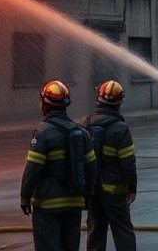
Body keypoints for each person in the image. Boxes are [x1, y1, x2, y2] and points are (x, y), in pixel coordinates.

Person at [20, 80, 94, 251]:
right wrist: (87, 197)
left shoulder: (43, 133)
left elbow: (33, 169)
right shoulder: (82, 133)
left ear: (45, 104)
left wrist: (25, 196)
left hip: (47, 205)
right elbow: (91, 168)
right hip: (74, 203)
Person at [81, 80, 136, 251]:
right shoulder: (121, 129)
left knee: (95, 231)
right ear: (119, 102)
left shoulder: (85, 124)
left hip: (92, 189)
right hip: (115, 190)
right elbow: (128, 163)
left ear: (98, 99)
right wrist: (132, 187)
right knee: (123, 231)